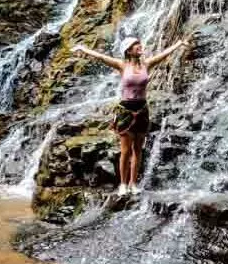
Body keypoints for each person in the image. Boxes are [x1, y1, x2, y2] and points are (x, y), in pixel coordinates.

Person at [72, 35, 188, 195]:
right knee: (125, 150)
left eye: (139, 44)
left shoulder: (146, 64)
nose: (140, 46)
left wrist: (178, 43)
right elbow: (100, 57)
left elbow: (164, 55)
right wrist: (83, 49)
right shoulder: (122, 65)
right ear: (128, 50)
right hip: (126, 109)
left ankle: (133, 183)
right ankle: (122, 184)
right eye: (136, 45)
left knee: (138, 150)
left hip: (142, 109)